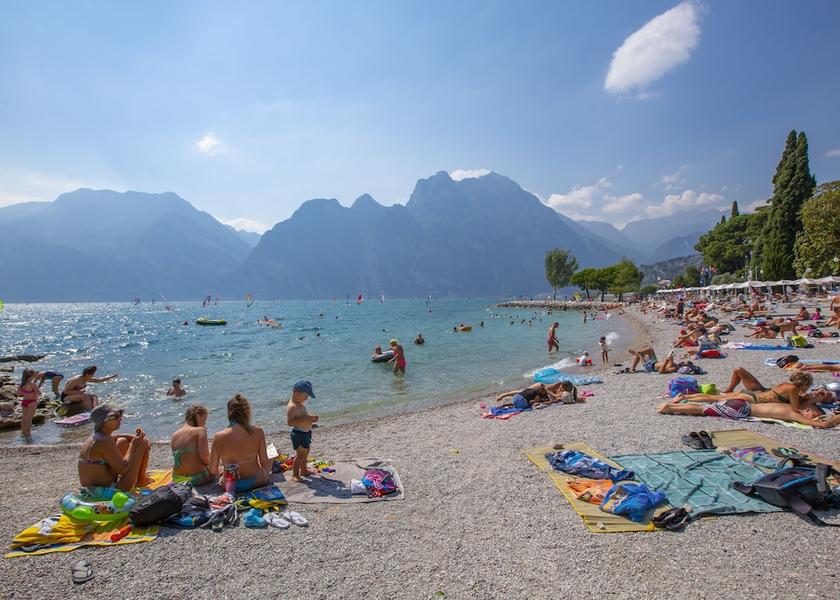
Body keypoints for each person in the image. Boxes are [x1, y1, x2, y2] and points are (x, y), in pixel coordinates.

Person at [78, 404, 152, 492]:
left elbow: (112, 438)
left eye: (119, 416)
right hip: (106, 491)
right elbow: (123, 469)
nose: (119, 419)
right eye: (115, 417)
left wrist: (128, 436)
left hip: (93, 488)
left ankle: (141, 479)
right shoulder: (104, 440)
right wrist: (133, 444)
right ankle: (141, 480)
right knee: (142, 443)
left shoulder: (96, 437)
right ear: (103, 421)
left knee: (122, 441)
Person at [209, 394, 271, 492]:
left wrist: (223, 470)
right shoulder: (257, 431)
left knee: (225, 470)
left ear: (229, 413)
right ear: (247, 412)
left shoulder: (218, 437)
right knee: (271, 459)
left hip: (230, 485)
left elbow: (213, 470)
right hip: (257, 481)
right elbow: (264, 461)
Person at [676, 371, 812, 412]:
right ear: (804, 384)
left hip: (751, 394)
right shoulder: (793, 389)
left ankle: (686, 396)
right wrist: (813, 400)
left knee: (714, 397)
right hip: (753, 399)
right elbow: (795, 408)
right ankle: (684, 399)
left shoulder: (785, 384)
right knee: (715, 400)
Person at [657, 398, 840, 428]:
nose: (813, 419)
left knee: (705, 407)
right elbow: (822, 425)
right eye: (813, 415)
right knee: (703, 411)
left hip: (744, 405)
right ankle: (671, 408)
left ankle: (675, 406)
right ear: (808, 410)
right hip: (743, 409)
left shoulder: (791, 406)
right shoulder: (795, 413)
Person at [170, 405, 211, 485]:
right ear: (198, 416)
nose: (205, 423)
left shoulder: (175, 434)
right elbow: (205, 459)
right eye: (204, 419)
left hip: (177, 478)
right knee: (219, 470)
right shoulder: (200, 430)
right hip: (196, 478)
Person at [286, 380, 318, 481]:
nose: (307, 398)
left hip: (305, 432)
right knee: (300, 454)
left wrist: (311, 420)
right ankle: (295, 474)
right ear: (297, 393)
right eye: (305, 396)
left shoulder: (299, 403)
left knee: (306, 451)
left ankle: (303, 470)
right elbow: (290, 422)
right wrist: (307, 419)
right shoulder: (292, 407)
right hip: (298, 434)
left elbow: (303, 418)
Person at [17, 369, 41, 440]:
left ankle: (23, 432)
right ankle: (28, 433)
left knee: (24, 417)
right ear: (31, 376)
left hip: (24, 402)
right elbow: (39, 393)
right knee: (29, 418)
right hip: (32, 402)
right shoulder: (32, 385)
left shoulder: (21, 385)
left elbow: (18, 394)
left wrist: (25, 392)